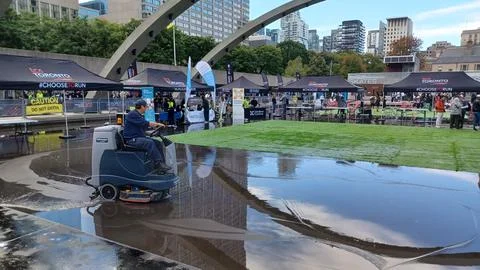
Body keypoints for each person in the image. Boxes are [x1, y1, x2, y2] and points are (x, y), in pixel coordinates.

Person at [123, 99, 171, 172]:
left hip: (138, 137)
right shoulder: (133, 114)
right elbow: (146, 123)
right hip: (131, 140)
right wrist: (158, 124)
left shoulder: (138, 115)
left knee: (158, 143)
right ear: (142, 107)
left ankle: (162, 164)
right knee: (149, 143)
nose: (146, 108)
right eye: (145, 107)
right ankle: (158, 163)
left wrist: (153, 132)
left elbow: (144, 127)